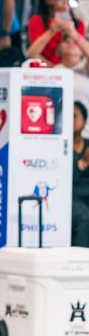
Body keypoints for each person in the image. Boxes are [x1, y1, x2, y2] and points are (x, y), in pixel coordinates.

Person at [26, 0, 86, 66]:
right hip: (45, 71)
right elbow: (32, 54)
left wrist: (71, 31)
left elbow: (81, 53)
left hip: (71, 70)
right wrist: (52, 31)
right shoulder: (36, 21)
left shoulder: (78, 24)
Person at [71, 103, 89, 247]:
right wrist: (83, 162)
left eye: (75, 116)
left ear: (85, 120)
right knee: (84, 217)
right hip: (71, 196)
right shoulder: (59, 146)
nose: (71, 120)